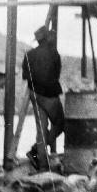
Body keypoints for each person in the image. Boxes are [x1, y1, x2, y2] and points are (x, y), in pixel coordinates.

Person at [22, 26, 65, 171]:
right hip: (50, 95)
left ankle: (42, 165)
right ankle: (35, 150)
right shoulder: (54, 54)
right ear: (47, 39)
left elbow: (25, 76)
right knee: (60, 125)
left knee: (41, 129)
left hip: (35, 94)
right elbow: (56, 74)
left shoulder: (29, 55)